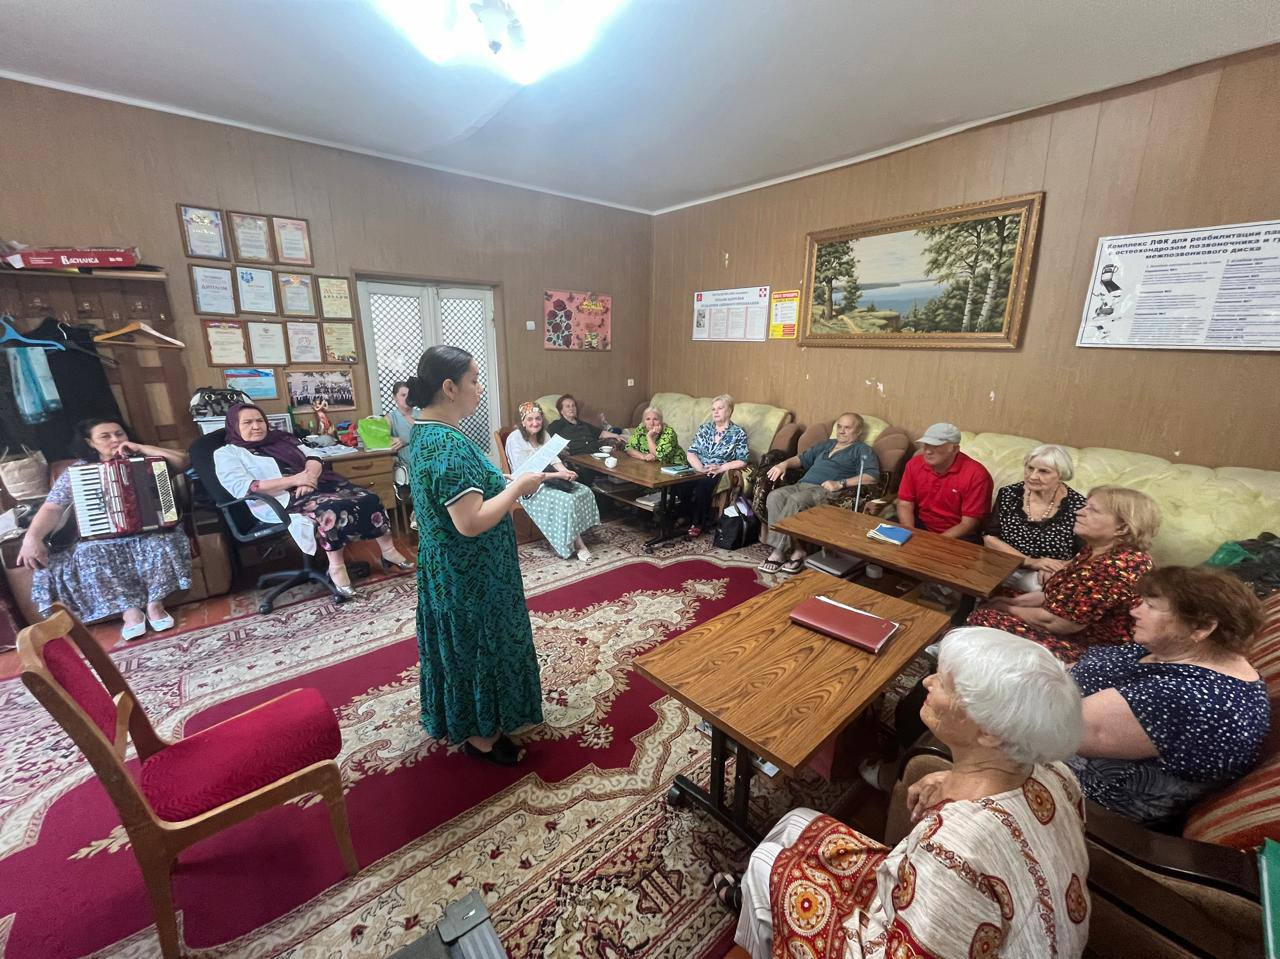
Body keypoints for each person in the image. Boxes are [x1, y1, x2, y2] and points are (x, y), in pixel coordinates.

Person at [714, 628, 1089, 959]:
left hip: (899, 934)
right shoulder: (1056, 774)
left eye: (944, 682)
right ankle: (758, 912)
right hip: (939, 910)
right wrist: (948, 777)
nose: (927, 683)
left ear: (990, 732)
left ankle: (759, 924)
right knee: (796, 821)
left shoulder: (956, 849)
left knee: (766, 862)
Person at [409, 345, 547, 766]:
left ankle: (472, 719)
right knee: (479, 647)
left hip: (448, 565)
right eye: (473, 380)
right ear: (449, 388)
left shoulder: (427, 431)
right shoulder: (446, 445)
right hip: (471, 572)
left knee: (461, 644)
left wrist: (502, 480)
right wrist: (516, 489)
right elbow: (470, 521)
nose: (480, 388)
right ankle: (482, 736)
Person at [1069, 566, 1270, 827]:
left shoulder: (1192, 697)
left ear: (1202, 626)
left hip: (1087, 802)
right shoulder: (1179, 651)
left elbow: (1057, 730)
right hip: (1053, 700)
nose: (1134, 611)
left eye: (1151, 606)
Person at [17, 418, 192, 642]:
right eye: (105, 436)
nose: (115, 440)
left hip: (150, 530)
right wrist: (32, 537)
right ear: (90, 443)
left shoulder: (149, 460)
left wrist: (142, 448)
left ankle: (154, 605)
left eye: (119, 434)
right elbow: (52, 507)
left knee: (162, 543)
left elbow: (183, 461)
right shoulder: (78, 471)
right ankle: (130, 612)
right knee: (89, 554)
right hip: (103, 536)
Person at [213, 403, 412, 599]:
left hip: (314, 485)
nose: (256, 426)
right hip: (277, 499)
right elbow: (247, 486)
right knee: (329, 510)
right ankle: (337, 567)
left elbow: (315, 456)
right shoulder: (227, 453)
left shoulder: (282, 439)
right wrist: (295, 480)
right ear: (234, 426)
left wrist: (310, 478)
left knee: (369, 497)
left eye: (259, 421)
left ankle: (388, 551)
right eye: (247, 422)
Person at [967, 486, 1159, 664]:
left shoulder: (1116, 567)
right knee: (996, 594)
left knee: (984, 617)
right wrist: (1011, 603)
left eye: (1093, 510)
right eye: (1085, 506)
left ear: (1122, 528)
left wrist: (1008, 609)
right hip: (1066, 620)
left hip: (1092, 649)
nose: (1079, 512)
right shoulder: (1096, 550)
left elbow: (1058, 622)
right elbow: (1057, 596)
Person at [758, 412, 879, 574]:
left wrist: (840, 483)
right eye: (839, 427)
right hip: (802, 484)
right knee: (775, 496)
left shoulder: (862, 450)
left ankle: (779, 552)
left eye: (847, 428)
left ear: (858, 432)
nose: (842, 431)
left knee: (795, 501)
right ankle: (797, 550)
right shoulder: (827, 444)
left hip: (825, 490)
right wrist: (784, 464)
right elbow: (801, 459)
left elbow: (872, 477)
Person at [505, 401, 601, 561]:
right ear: (523, 421)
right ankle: (579, 545)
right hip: (526, 485)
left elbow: (555, 461)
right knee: (566, 500)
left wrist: (566, 472)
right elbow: (524, 475)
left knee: (585, 491)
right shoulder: (514, 439)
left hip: (549, 478)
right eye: (530, 419)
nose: (535, 423)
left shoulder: (545, 435)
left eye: (538, 418)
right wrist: (558, 476)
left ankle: (572, 532)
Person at [984, 444, 1087, 592]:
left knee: (1043, 588)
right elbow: (990, 538)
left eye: (1043, 471)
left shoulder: (1078, 506)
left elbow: (1085, 553)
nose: (1032, 476)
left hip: (1044, 574)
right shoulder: (1009, 494)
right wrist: (1030, 561)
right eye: (1030, 468)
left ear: (1061, 475)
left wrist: (1057, 568)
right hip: (1005, 563)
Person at [895, 422, 993, 539]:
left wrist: (937, 541)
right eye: (926, 444)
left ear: (955, 449)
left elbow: (969, 524)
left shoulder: (977, 475)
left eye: (936, 446)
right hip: (919, 525)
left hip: (958, 534)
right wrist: (909, 533)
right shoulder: (914, 464)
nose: (928, 451)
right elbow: (905, 504)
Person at [684, 394, 749, 538]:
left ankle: (697, 523)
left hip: (719, 471)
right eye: (713, 409)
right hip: (698, 467)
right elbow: (691, 452)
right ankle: (684, 516)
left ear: (730, 410)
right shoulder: (705, 428)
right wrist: (700, 468)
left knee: (703, 485)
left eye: (720, 408)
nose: (715, 412)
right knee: (679, 484)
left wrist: (720, 468)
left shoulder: (738, 433)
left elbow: (742, 460)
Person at [386, 380, 419, 529]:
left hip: (424, 458)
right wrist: (390, 439)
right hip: (406, 463)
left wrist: (405, 440)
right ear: (395, 397)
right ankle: (419, 513)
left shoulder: (422, 414)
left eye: (409, 394)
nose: (407, 398)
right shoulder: (391, 418)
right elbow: (379, 439)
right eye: (403, 394)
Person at [547, 393, 617, 457]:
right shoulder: (556, 425)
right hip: (579, 458)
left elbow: (601, 433)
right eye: (568, 406)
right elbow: (547, 439)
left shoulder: (583, 424)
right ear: (561, 411)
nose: (571, 408)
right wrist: (560, 448)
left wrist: (617, 436)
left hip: (597, 454)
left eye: (573, 406)